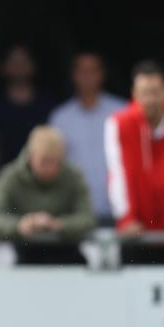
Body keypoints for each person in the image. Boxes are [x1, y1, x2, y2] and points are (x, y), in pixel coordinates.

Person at [0, 125, 96, 265]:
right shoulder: (11, 177)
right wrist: (20, 225)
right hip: (27, 256)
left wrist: (59, 225)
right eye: (44, 161)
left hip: (68, 256)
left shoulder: (74, 176)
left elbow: (88, 218)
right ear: (31, 157)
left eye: (57, 162)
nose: (51, 168)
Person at [106, 60, 164, 264]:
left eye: (155, 92)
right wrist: (126, 218)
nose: (150, 100)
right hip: (136, 234)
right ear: (134, 94)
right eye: (144, 93)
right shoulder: (119, 123)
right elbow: (117, 174)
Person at [49, 53, 126, 223]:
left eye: (93, 70)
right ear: (73, 75)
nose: (88, 76)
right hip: (73, 211)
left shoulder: (121, 112)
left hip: (116, 207)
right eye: (82, 71)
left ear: (102, 74)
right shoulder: (60, 118)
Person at [0, 44, 54, 172]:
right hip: (4, 176)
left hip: (42, 175)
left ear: (33, 66)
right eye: (14, 62)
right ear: (3, 67)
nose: (19, 67)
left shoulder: (47, 105)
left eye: (23, 61)